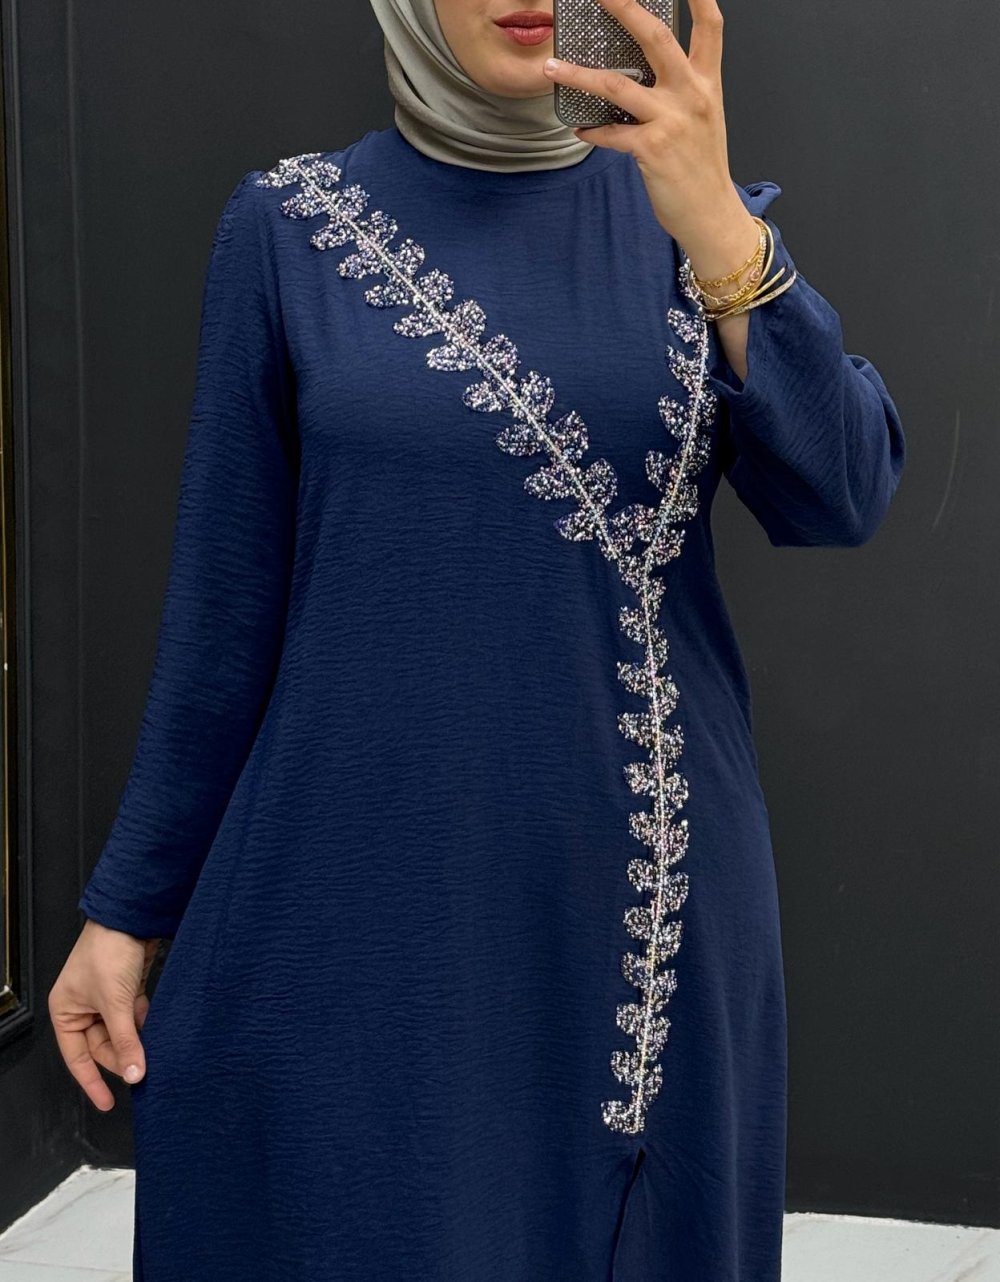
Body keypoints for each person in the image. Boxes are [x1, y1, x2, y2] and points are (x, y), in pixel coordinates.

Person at [48, 1, 906, 1278]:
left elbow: (842, 493)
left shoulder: (690, 218)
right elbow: (225, 608)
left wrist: (723, 230)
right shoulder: (289, 230)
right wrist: (127, 911)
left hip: (630, 902)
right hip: (359, 907)